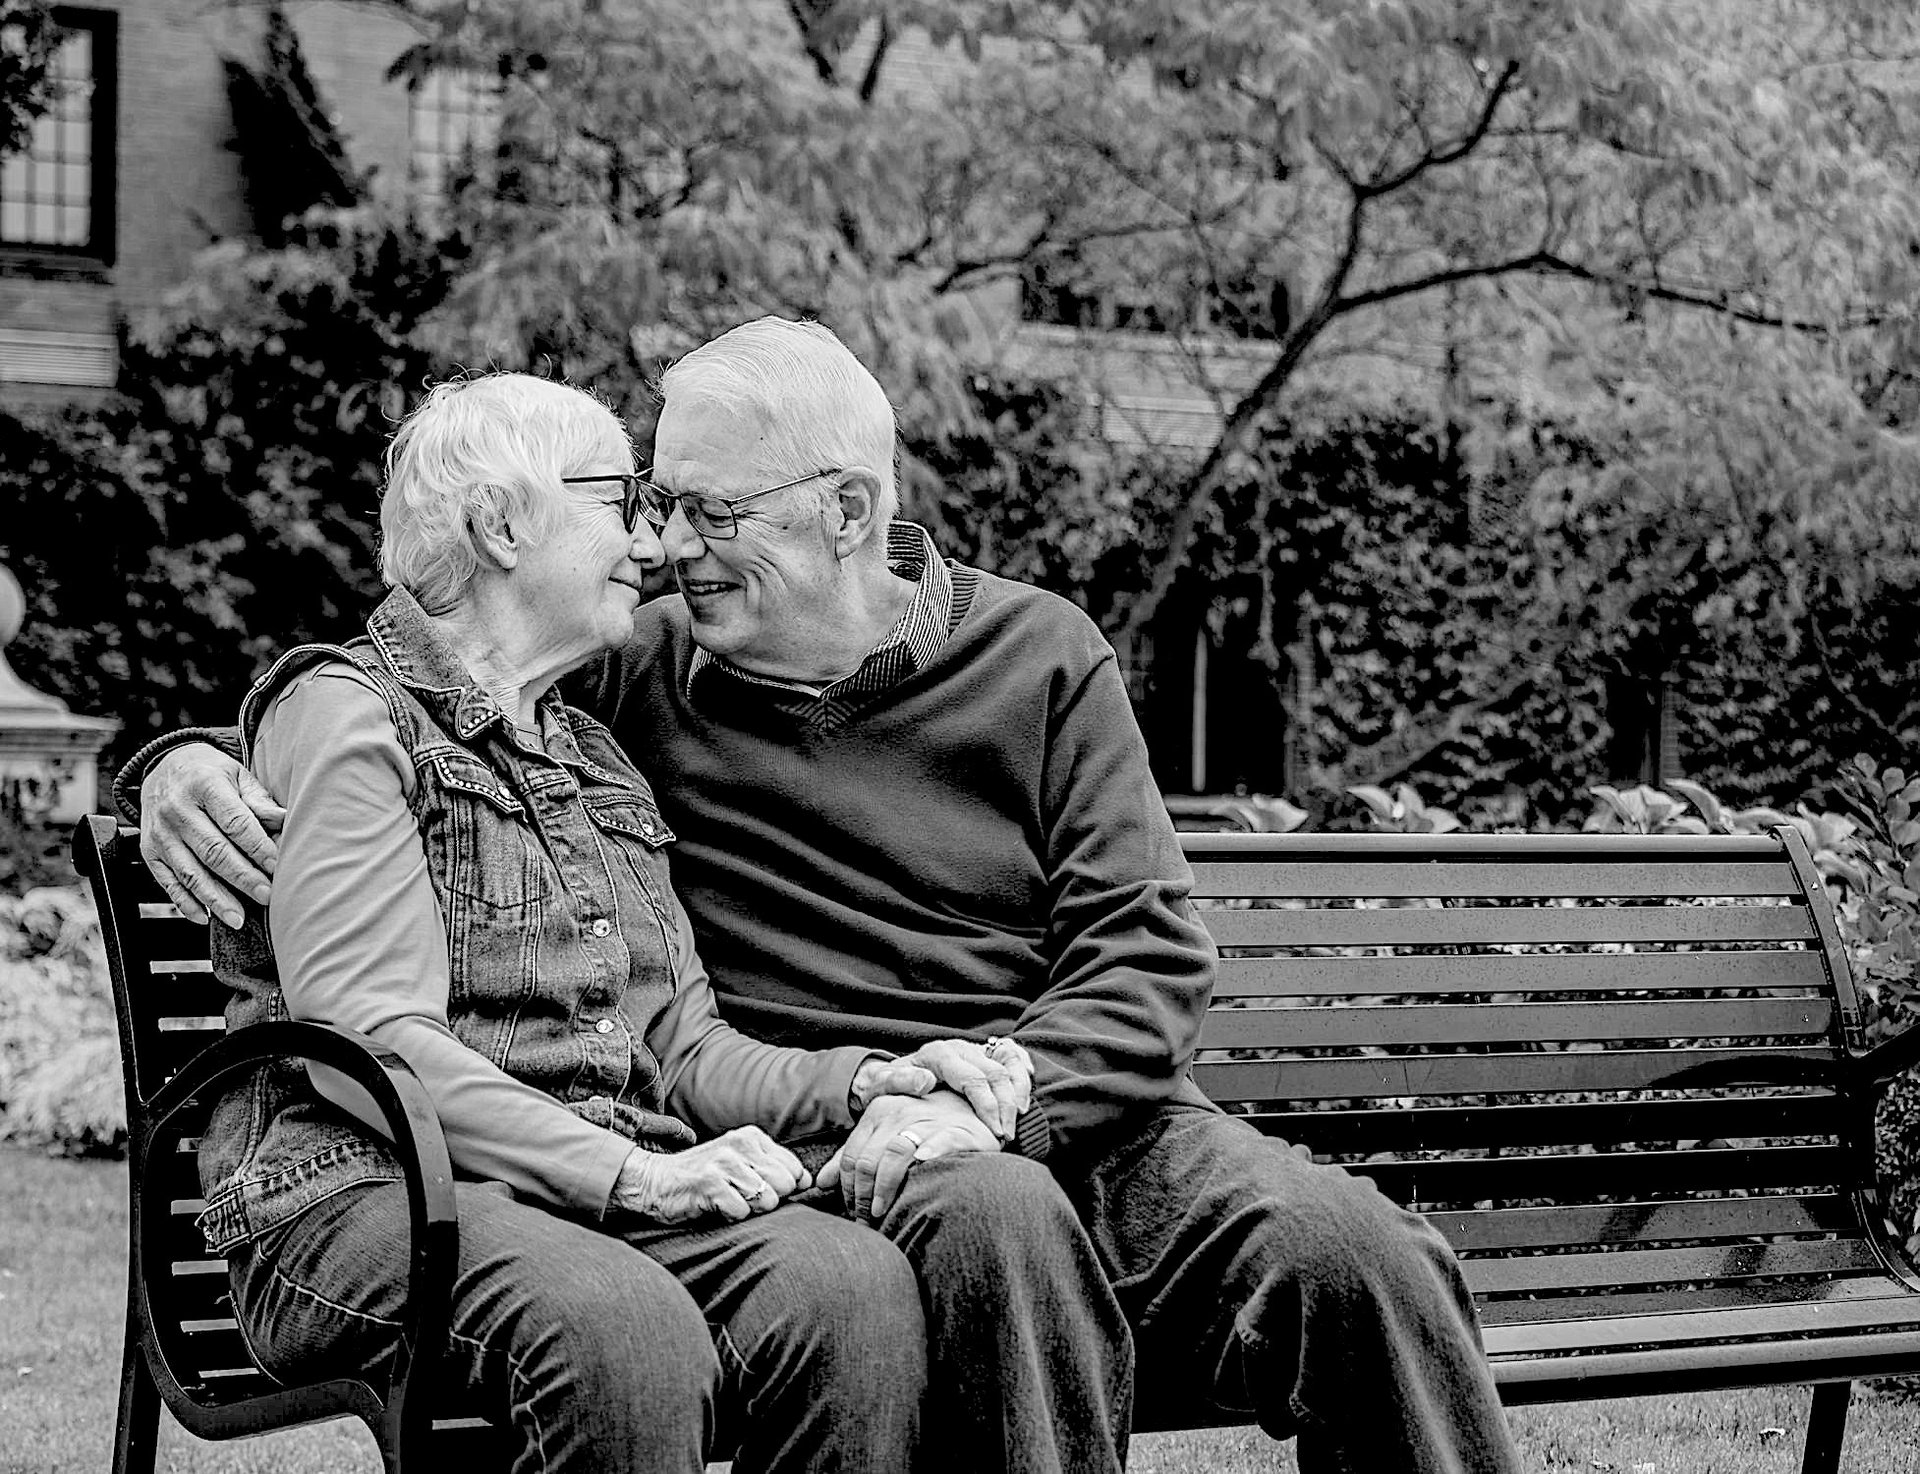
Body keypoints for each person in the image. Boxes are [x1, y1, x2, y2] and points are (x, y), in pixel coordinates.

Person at [127, 319, 1524, 1473]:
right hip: (846, 1139)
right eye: (650, 504)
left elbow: (1148, 955)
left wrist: (992, 1090)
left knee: (1359, 1255)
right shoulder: (639, 674)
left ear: (851, 510)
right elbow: (422, 665)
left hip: (1064, 1103)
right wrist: (180, 763)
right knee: (990, 1222)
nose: (665, 545)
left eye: (705, 512)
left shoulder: (1039, 654)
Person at [178, 371, 1043, 1474]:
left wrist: (867, 1078)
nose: (655, 541)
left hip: (578, 1190)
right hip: (367, 1190)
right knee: (622, 1326)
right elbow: (370, 1053)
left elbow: (683, 1047)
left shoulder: (594, 761)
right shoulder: (349, 716)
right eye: (618, 499)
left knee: (850, 1286)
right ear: (499, 524)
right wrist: (631, 1176)